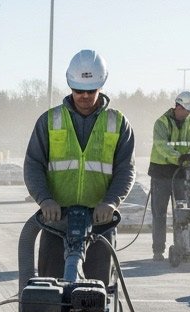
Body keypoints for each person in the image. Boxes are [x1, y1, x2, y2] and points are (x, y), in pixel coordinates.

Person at [22, 50, 135, 282]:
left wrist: (111, 202)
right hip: (57, 222)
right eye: (78, 90)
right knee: (48, 290)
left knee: (96, 291)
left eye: (90, 91)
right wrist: (45, 200)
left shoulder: (117, 123)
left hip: (99, 224)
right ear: (70, 85)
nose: (84, 96)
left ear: (101, 85)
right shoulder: (49, 121)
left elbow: (126, 170)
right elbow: (33, 164)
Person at [146, 90, 190, 259]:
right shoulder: (161, 123)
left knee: (182, 214)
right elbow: (161, 145)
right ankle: (158, 250)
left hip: (181, 174)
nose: (189, 113)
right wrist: (179, 158)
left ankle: (181, 248)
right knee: (160, 214)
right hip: (161, 174)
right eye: (186, 110)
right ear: (178, 107)